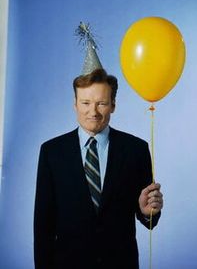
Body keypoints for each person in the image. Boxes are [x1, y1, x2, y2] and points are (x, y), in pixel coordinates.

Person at [34, 68, 163, 269]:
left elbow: (149, 220)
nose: (93, 112)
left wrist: (147, 212)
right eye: (85, 103)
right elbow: (43, 226)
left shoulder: (136, 150)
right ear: (75, 104)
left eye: (101, 103)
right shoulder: (52, 152)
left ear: (113, 105)